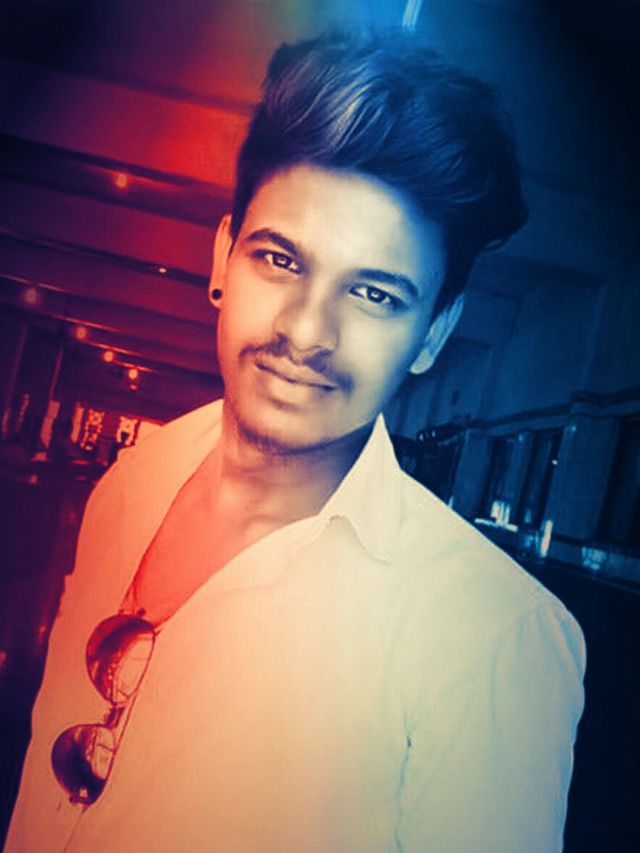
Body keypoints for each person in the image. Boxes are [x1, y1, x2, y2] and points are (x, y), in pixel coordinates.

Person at [6, 29, 585, 853]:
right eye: (280, 259)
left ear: (433, 331)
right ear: (222, 258)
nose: (308, 331)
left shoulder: (492, 639)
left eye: (375, 294)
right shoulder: (132, 482)